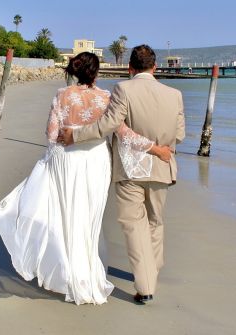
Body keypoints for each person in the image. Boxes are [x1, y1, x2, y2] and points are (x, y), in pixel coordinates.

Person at [0, 52, 171, 305]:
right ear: (96, 73)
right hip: (96, 162)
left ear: (75, 72)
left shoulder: (62, 96)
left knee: (68, 217)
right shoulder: (107, 98)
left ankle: (68, 275)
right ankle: (87, 277)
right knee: (89, 219)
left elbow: (51, 134)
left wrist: (54, 156)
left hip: (67, 160)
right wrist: (156, 148)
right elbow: (125, 134)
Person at [60, 45, 185, 304]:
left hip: (131, 168)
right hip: (162, 164)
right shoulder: (175, 94)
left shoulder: (123, 89)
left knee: (133, 224)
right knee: (155, 221)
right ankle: (152, 269)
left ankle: (146, 284)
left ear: (130, 67)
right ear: (155, 67)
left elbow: (108, 124)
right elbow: (180, 135)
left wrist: (76, 135)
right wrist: (160, 148)